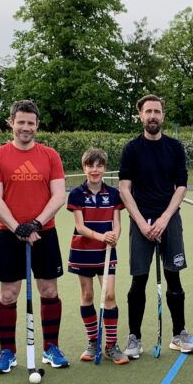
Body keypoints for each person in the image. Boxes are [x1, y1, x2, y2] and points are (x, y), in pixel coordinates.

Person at [0, 100, 68, 373]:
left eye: (31, 123)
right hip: (9, 236)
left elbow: (58, 195)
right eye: (20, 122)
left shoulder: (50, 155)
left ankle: (51, 348)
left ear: (37, 125)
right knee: (8, 295)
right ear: (11, 123)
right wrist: (17, 227)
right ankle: (7, 352)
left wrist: (35, 223)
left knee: (49, 290)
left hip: (45, 233)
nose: (25, 127)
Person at [119, 94, 193, 357]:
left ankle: (179, 334)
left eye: (157, 112)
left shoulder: (174, 148)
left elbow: (181, 186)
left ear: (163, 116)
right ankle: (134, 338)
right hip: (141, 221)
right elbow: (125, 188)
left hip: (168, 219)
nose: (153, 116)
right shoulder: (131, 149)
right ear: (140, 115)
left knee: (173, 276)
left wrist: (164, 219)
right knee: (138, 280)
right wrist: (141, 222)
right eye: (148, 111)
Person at [66, 148, 128, 364]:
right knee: (88, 295)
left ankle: (111, 345)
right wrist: (102, 237)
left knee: (109, 295)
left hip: (106, 252)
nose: (95, 170)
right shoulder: (76, 194)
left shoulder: (113, 194)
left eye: (99, 166)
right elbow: (80, 227)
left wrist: (114, 236)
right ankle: (93, 342)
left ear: (104, 168)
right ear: (84, 168)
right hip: (83, 252)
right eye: (90, 165)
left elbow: (117, 224)